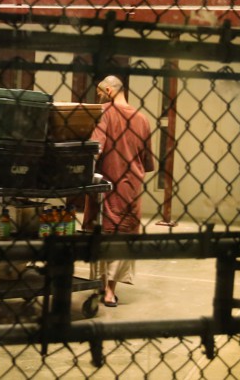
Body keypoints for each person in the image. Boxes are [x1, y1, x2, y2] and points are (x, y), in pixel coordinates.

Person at [82, 75, 155, 308]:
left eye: (100, 93)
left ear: (108, 90)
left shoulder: (103, 113)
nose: (99, 98)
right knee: (122, 236)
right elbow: (148, 162)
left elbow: (96, 148)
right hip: (130, 188)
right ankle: (111, 291)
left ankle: (102, 285)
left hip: (106, 184)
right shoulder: (142, 120)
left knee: (101, 232)